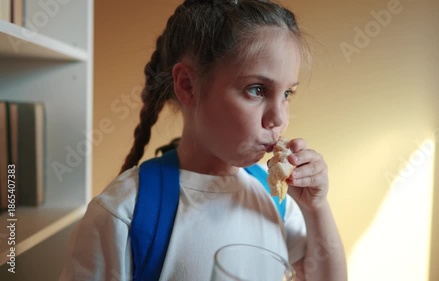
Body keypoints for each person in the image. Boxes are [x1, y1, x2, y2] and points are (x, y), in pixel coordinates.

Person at [59, 0, 347, 280]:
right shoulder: (124, 212)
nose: (279, 118)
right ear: (188, 86)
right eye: (257, 90)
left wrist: (315, 207)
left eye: (286, 94)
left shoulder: (277, 200)